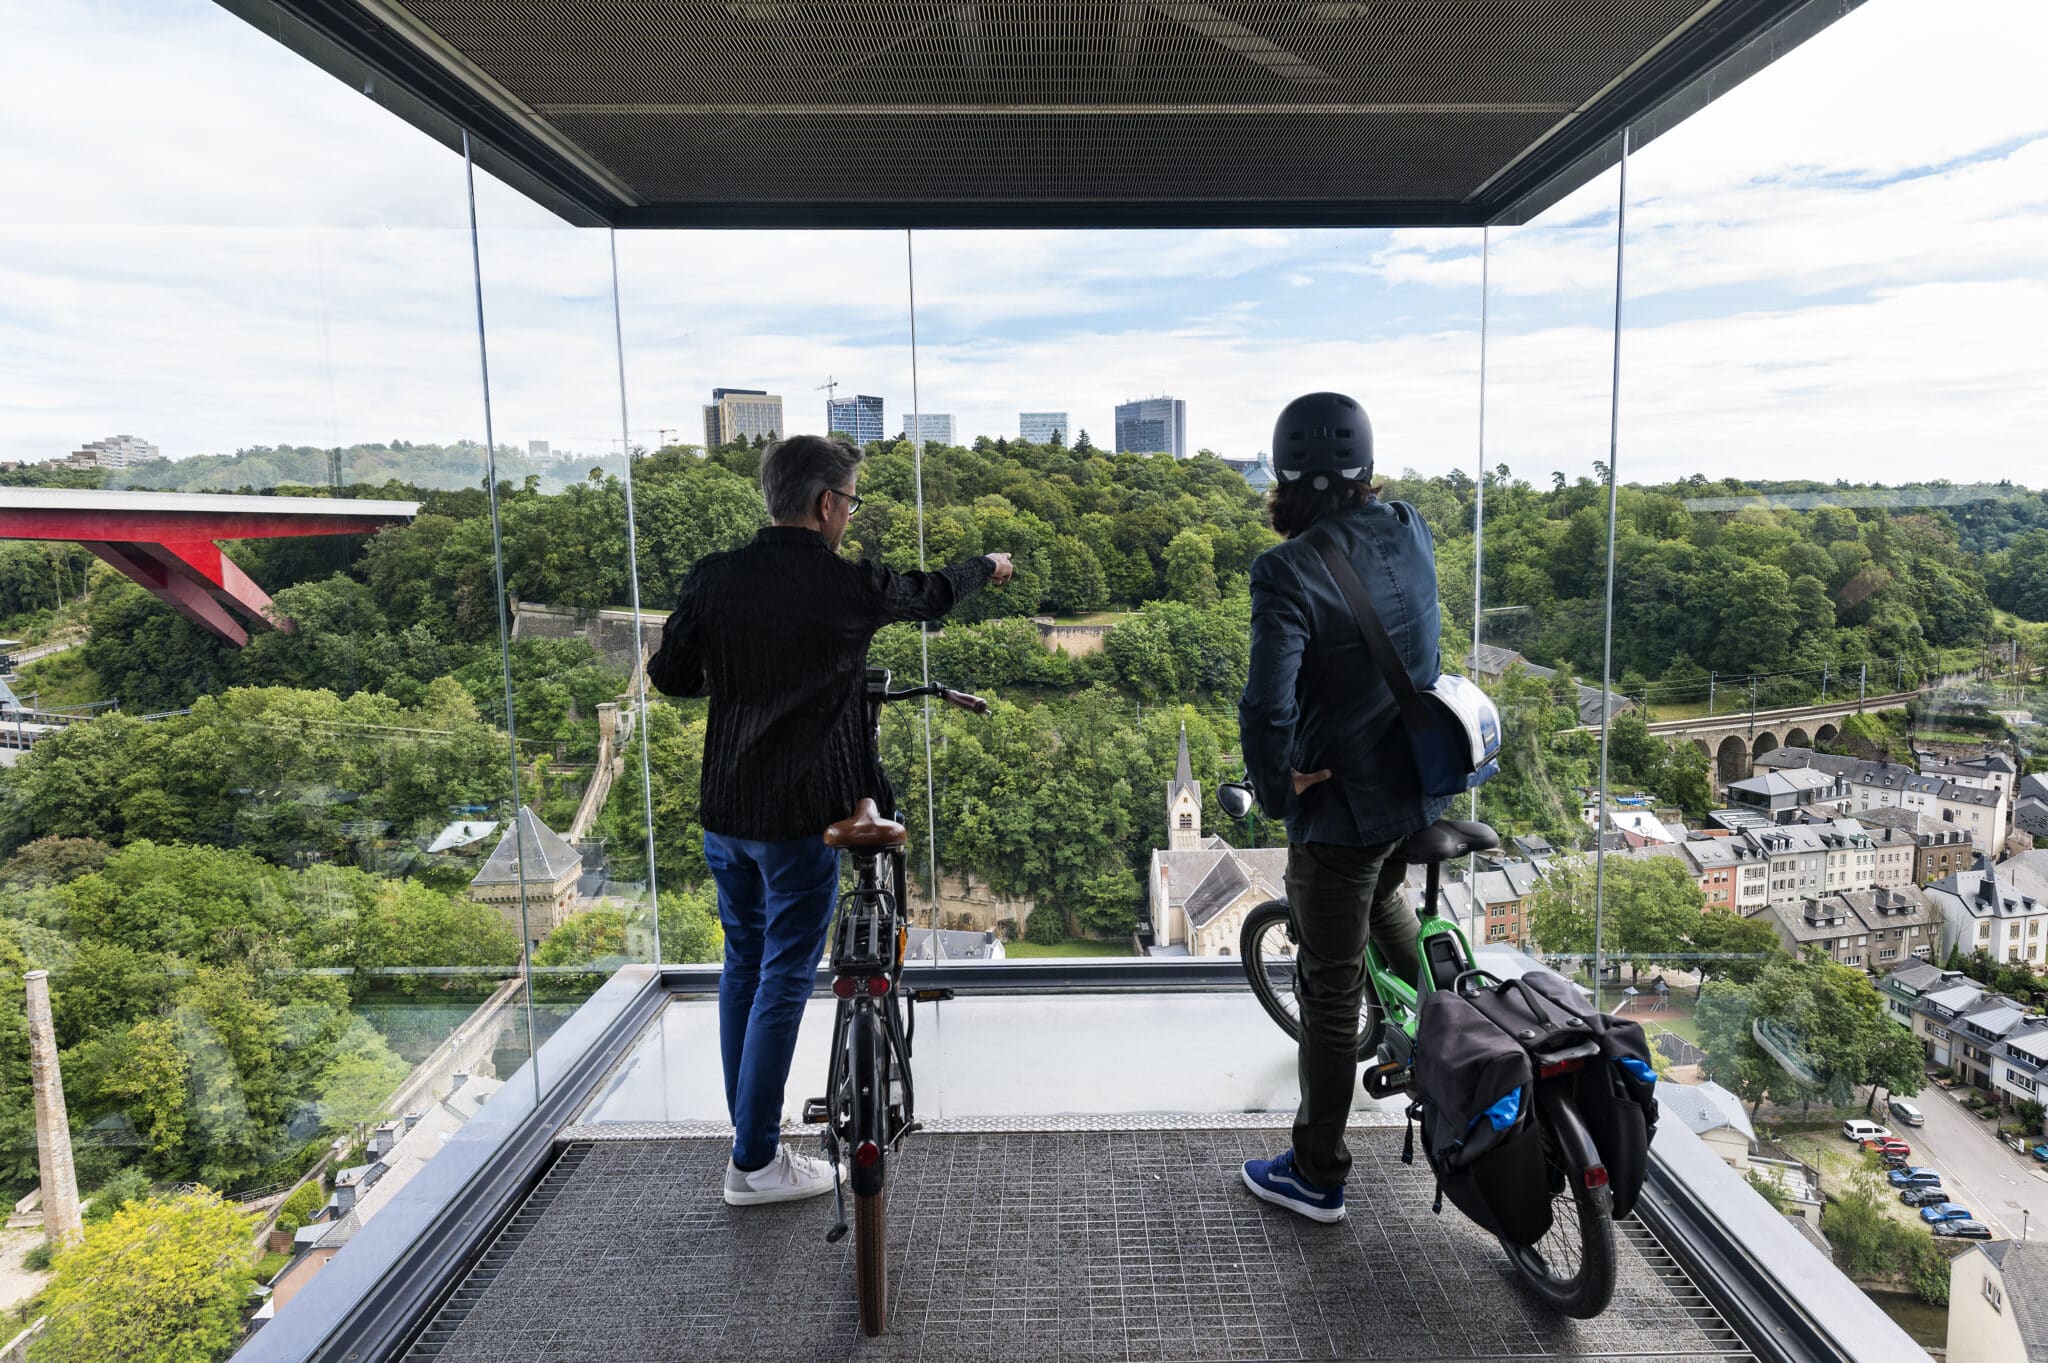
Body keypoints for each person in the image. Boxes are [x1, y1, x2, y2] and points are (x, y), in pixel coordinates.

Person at [648, 434, 1012, 1205]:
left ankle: (752, 1135)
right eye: (849, 501)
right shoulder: (843, 585)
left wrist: (746, 668)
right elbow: (930, 593)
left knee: (741, 966)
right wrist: (988, 567)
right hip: (799, 817)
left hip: (726, 812)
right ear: (824, 504)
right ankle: (753, 1163)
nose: (849, 515)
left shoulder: (716, 578)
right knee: (782, 972)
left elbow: (672, 675)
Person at [1235, 391, 1448, 1224]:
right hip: (1419, 787)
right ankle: (1446, 1028)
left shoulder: (1285, 570)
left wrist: (1280, 787)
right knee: (1384, 892)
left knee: (1328, 995)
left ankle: (1316, 1171)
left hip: (1344, 810)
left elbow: (1267, 708)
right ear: (1365, 469)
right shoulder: (1410, 526)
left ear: (1285, 475)